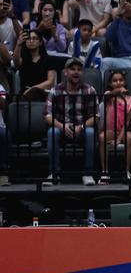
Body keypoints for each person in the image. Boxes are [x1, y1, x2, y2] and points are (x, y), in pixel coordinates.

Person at [44, 57, 98, 185]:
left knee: (90, 132)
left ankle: (88, 173)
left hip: (82, 129)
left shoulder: (89, 90)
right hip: (62, 129)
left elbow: (96, 116)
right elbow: (47, 115)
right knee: (52, 132)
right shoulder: (55, 90)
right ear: (65, 72)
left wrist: (82, 126)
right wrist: (61, 126)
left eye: (79, 69)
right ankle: (54, 174)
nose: (76, 72)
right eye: (72, 69)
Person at [98, 69, 131, 184]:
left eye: (121, 80)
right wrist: (117, 91)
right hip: (110, 130)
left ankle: (127, 171)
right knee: (101, 137)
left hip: (123, 131)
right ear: (110, 84)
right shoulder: (108, 96)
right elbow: (106, 97)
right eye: (115, 81)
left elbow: (127, 122)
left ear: (125, 82)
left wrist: (119, 139)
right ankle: (104, 172)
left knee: (130, 137)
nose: (118, 83)